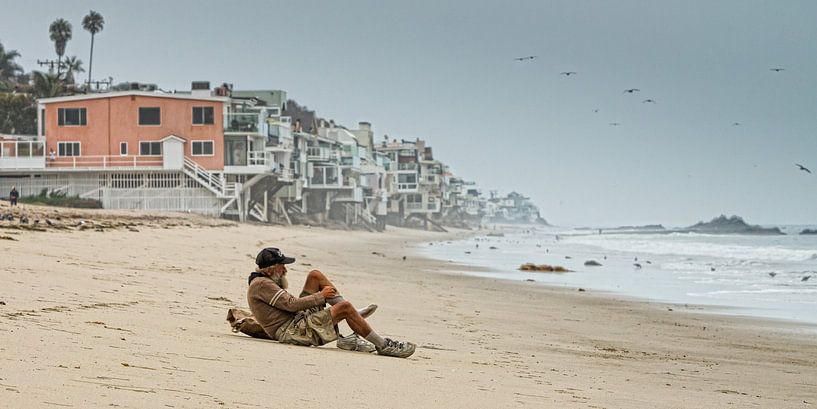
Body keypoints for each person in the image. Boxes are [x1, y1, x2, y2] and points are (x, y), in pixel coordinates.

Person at [247, 247, 416, 358]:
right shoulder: (262, 284)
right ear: (271, 268)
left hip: (297, 321)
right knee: (345, 308)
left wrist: (321, 295)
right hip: (291, 332)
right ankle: (383, 345)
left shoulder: (264, 281)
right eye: (281, 266)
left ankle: (351, 318)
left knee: (315, 275)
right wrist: (321, 296)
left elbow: (289, 306)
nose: (285, 270)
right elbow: (291, 305)